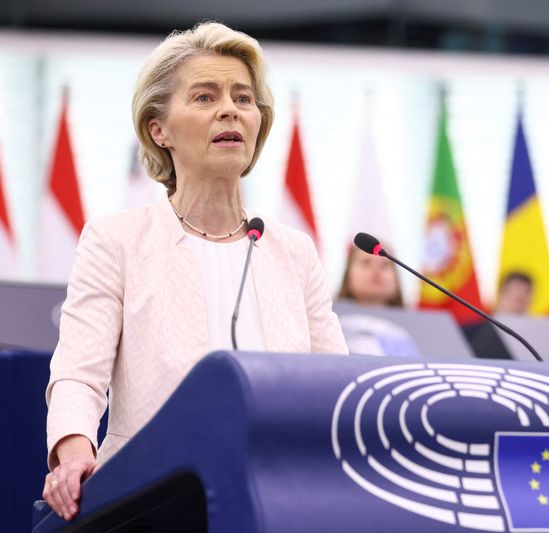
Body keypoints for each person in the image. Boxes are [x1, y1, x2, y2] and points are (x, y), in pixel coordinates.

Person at [42, 22, 348, 522]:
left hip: (282, 501)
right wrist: (75, 456)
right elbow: (78, 375)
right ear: (158, 129)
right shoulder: (117, 240)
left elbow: (333, 388)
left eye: (243, 98)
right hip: (150, 500)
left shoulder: (293, 252)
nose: (230, 109)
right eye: (205, 97)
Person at [337, 245, 404, 307]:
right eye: (366, 262)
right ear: (348, 274)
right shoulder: (329, 317)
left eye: (385, 264)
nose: (376, 269)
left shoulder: (413, 318)